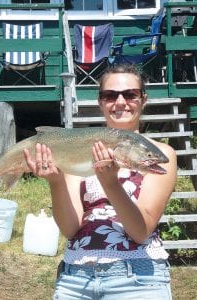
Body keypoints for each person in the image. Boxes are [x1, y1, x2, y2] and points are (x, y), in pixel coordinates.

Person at [24, 65, 177, 300]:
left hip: (137, 280)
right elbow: (70, 229)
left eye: (130, 94)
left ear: (143, 99)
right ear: (100, 102)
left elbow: (139, 232)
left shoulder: (160, 155)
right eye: (110, 95)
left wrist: (110, 183)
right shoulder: (78, 152)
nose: (120, 102)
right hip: (76, 279)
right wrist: (56, 183)